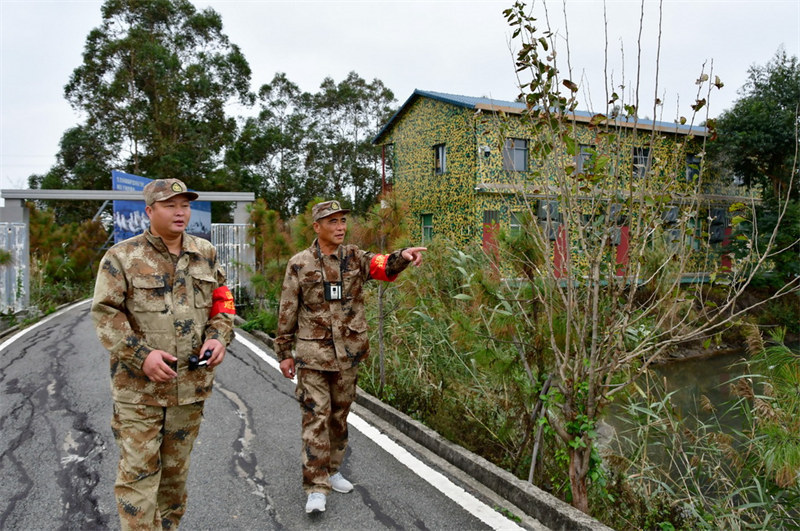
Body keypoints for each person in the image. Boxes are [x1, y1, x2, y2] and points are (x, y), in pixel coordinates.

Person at [91, 178, 236, 530]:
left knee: (174, 480)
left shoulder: (205, 253)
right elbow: (106, 314)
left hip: (189, 389)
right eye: (170, 205)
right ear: (150, 211)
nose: (180, 212)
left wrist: (218, 338)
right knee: (138, 479)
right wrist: (142, 356)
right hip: (139, 393)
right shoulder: (122, 257)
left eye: (184, 205)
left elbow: (223, 303)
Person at [275, 200, 426, 514]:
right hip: (312, 355)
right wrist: (283, 352)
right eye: (332, 221)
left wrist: (404, 256)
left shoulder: (355, 257)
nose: (340, 226)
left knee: (338, 418)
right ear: (317, 227)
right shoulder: (300, 263)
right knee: (315, 418)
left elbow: (382, 266)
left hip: (348, 354)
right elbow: (288, 308)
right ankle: (316, 487)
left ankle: (332, 469)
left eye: (342, 220)